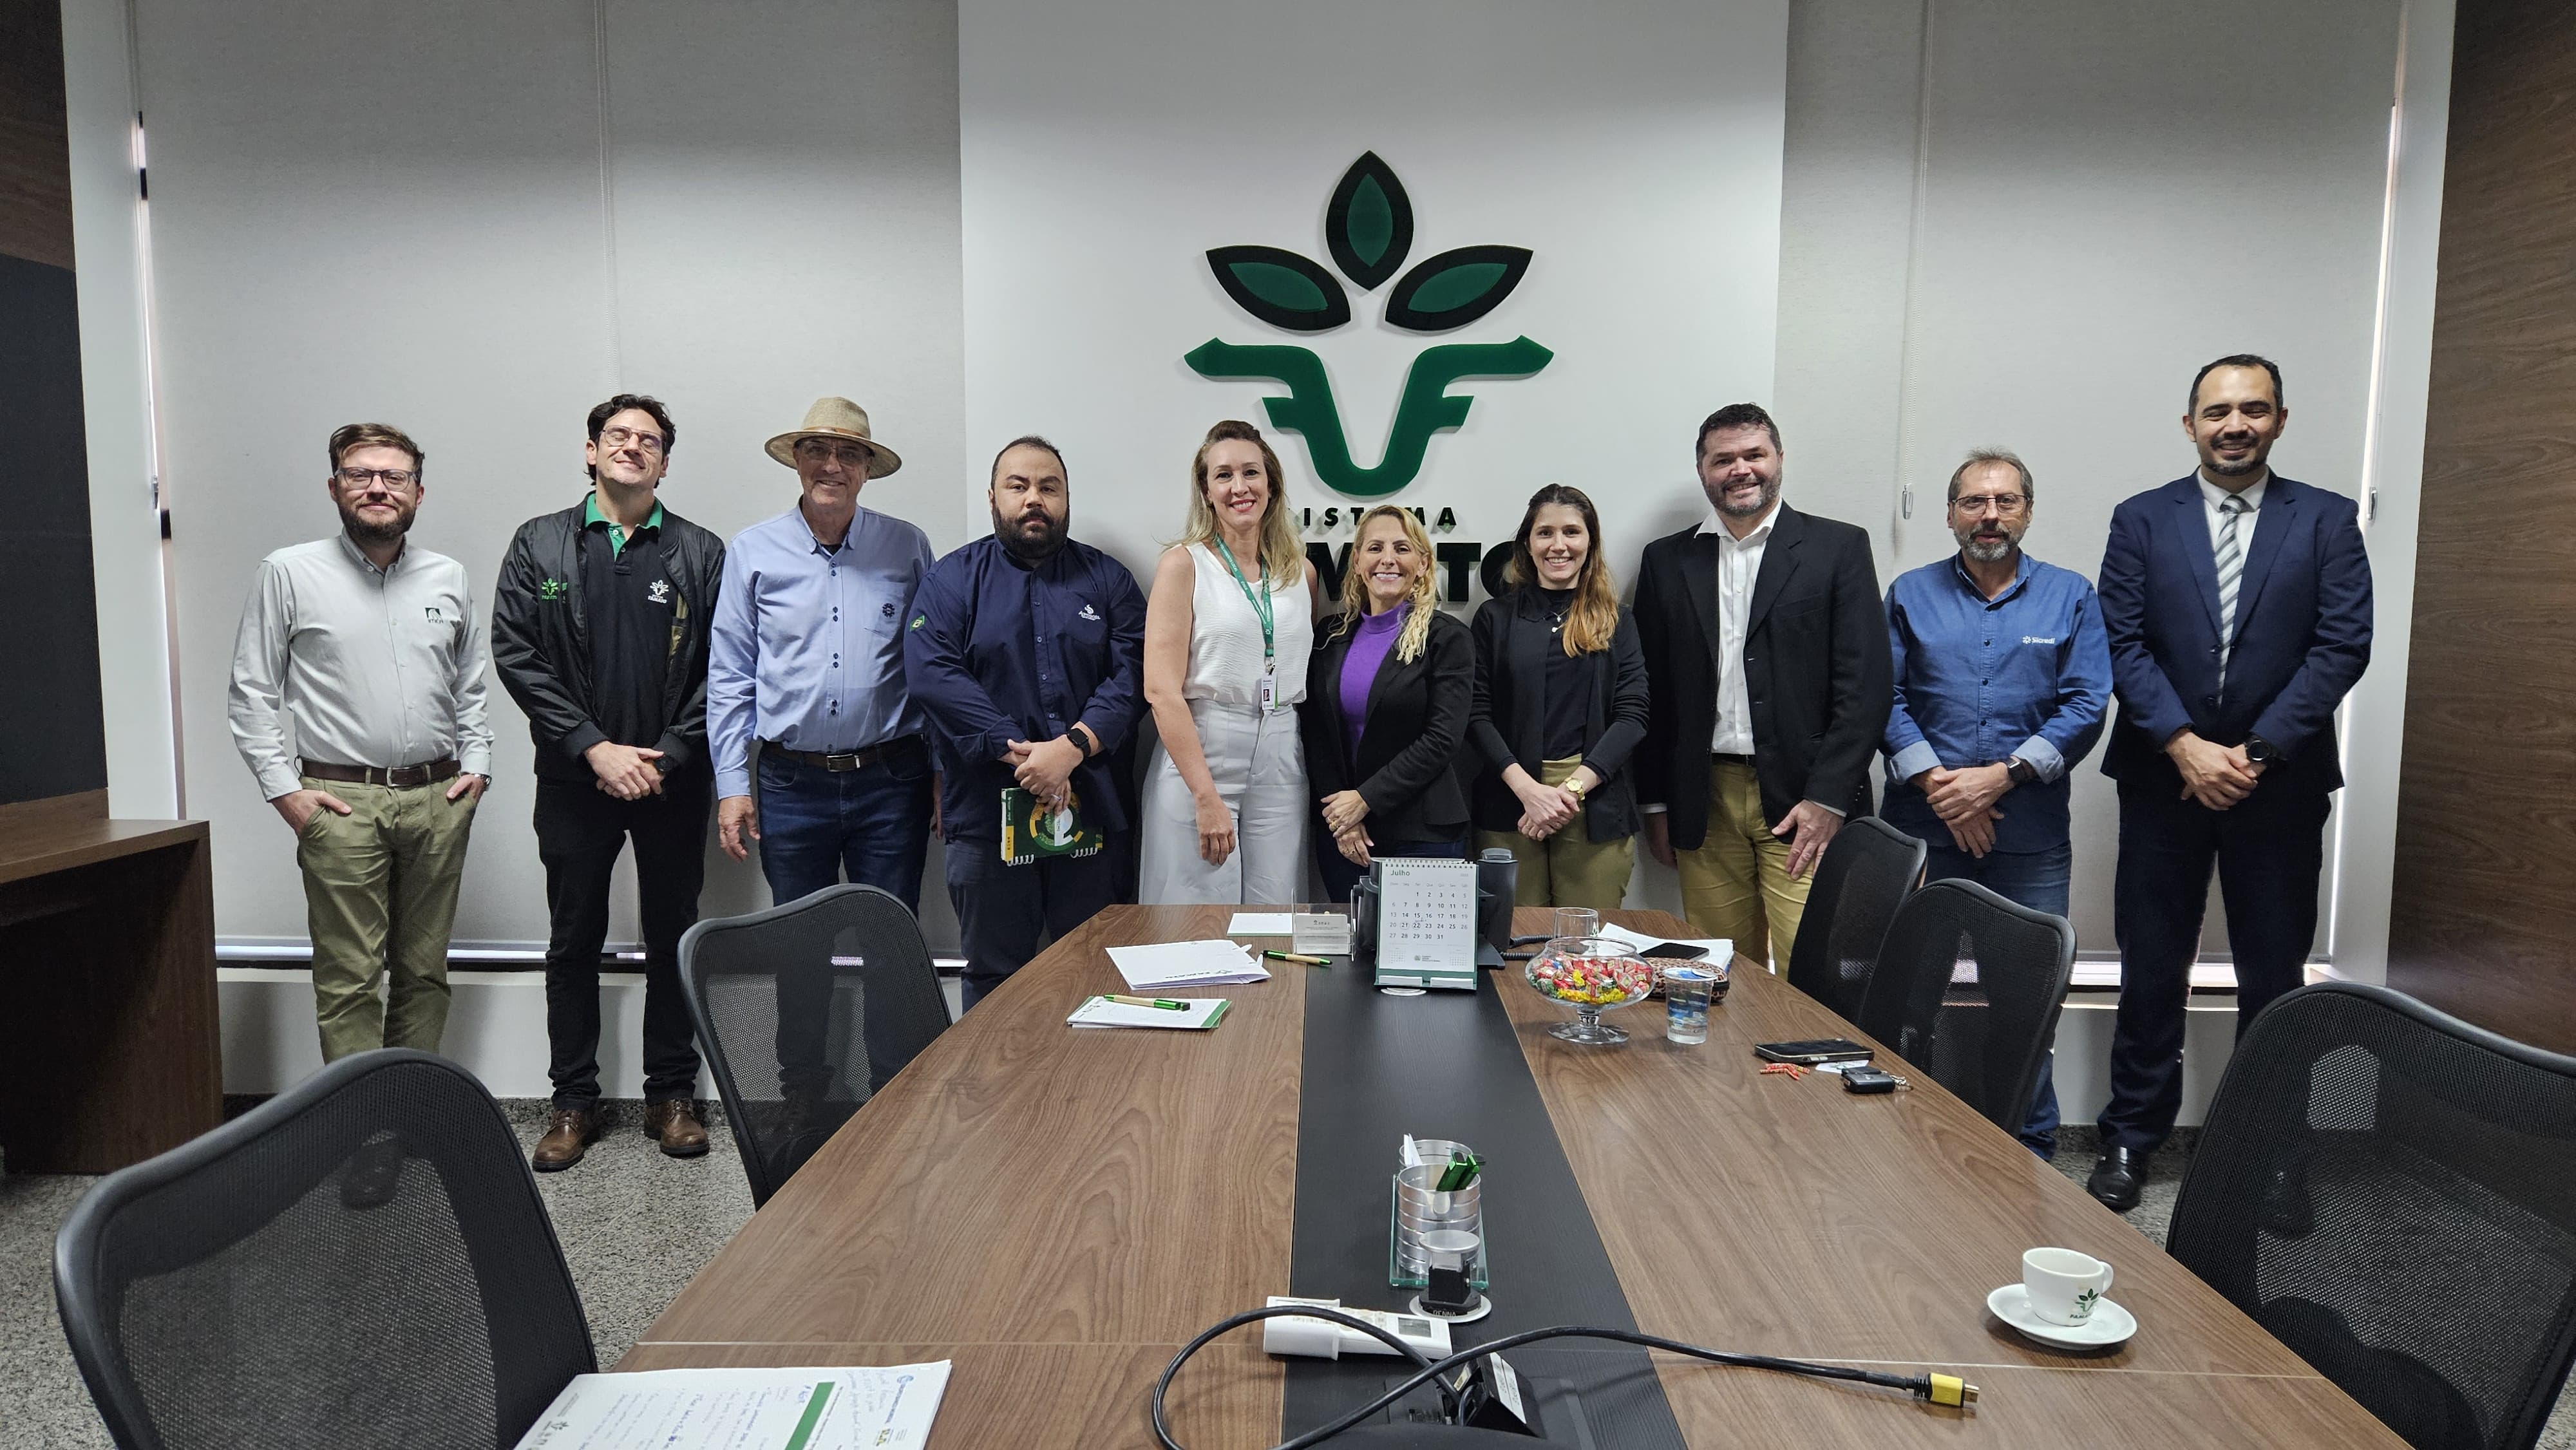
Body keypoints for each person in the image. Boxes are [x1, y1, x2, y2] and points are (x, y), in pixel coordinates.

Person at [2084, 354, 2372, 1212]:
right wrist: (2184, 745)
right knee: (2150, 968)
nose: (2234, 425)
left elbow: (2341, 646)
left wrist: (2253, 753)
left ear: (2280, 419)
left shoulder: (2327, 519)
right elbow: (2121, 642)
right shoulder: (2141, 518)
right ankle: (2131, 1137)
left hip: (2277, 788)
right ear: (2190, 425)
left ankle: (2272, 1152)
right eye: (2217, 411)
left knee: (2273, 978)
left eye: (2253, 409)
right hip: (2161, 781)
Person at [491, 394, 724, 1171]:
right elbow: (517, 653)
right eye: (617, 435)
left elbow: (724, 666)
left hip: (670, 781)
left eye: (648, 439)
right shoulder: (540, 543)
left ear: (664, 462)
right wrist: (593, 748)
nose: (632, 446)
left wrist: (669, 753)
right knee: (572, 941)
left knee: (674, 936)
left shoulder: (700, 551)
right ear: (591, 451)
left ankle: (673, 1095)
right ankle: (572, 1101)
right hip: (573, 777)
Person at [227, 422, 491, 1065]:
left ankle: (410, 1107)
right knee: (350, 980)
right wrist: (285, 793)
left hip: (438, 798)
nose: (377, 487)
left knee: (425, 972)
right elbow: (252, 691)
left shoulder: (447, 576)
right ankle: (363, 1123)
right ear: (334, 487)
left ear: (417, 492)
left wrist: (478, 765)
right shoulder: (289, 572)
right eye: (359, 474)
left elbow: (470, 684)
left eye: (394, 476)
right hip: (341, 804)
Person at [1880, 449, 2110, 1158]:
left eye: (2005, 501)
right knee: (1917, 996)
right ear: (1950, 513)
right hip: (1924, 831)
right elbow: (1882, 698)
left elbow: (2086, 702)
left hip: (2029, 839)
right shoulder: (1908, 593)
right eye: (1974, 502)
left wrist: (1999, 779)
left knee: (2025, 1000)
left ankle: (2029, 1151)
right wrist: (1944, 790)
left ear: (2028, 512)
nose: (1990, 515)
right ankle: (1912, 1146)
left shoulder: (2071, 595)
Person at [1634, 403, 1892, 966]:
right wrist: (1655, 804)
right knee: (1716, 970)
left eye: (1754, 455)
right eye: (1723, 459)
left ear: (1779, 459)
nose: (1740, 469)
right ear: (1702, 471)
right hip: (1704, 799)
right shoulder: (1666, 560)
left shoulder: (1838, 548)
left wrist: (1828, 798)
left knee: (1815, 971)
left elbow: (1866, 686)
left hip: (1806, 802)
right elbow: (1652, 693)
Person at [905, 436, 1146, 1010]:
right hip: (985, 816)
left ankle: (1086, 1077)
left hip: (1091, 811)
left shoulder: (1109, 580)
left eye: (1048, 487)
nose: (1033, 498)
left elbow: (1135, 673)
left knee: (1096, 972)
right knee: (994, 979)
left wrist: (1071, 748)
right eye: (1018, 486)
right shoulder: (951, 579)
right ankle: (995, 1078)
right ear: (993, 497)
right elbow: (933, 674)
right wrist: (1023, 755)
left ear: (1067, 499)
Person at [708, 397, 935, 910]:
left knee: (889, 934)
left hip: (892, 782)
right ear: (797, 460)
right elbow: (730, 674)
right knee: (799, 939)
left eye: (849, 454)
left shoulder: (907, 547)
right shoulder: (752, 552)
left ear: (867, 470)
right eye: (817, 450)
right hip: (791, 785)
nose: (832, 465)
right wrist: (732, 785)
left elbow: (934, 666)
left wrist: (944, 771)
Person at [1139, 420, 1320, 905]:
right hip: (1204, 749)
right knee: (1197, 914)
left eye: (1251, 473)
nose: (1239, 487)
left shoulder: (1301, 573)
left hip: (1282, 749)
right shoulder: (1183, 564)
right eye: (1224, 475)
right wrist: (1205, 796)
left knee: (1277, 909)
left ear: (1271, 484)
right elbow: (1160, 691)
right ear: (1206, 491)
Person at [1467, 485, 1650, 910]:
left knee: (1586, 939)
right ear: (1527, 544)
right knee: (1511, 933)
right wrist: (1529, 792)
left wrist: (1569, 792)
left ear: (1590, 542)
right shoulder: (1494, 618)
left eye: (1571, 532)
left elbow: (1633, 715)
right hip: (1510, 799)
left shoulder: (1617, 621)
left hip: (1594, 800)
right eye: (1545, 533)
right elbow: (1475, 714)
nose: (1558, 545)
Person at [1298, 505, 1475, 901]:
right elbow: (1315, 732)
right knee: (1350, 940)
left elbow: (1442, 740)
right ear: (1357, 562)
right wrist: (1342, 817)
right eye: (1375, 548)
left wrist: (1365, 801)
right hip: (1345, 834)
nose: (1388, 559)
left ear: (1423, 563)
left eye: (1402, 548)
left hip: (1422, 834)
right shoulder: (1330, 636)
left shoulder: (1447, 638)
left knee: (1420, 944)